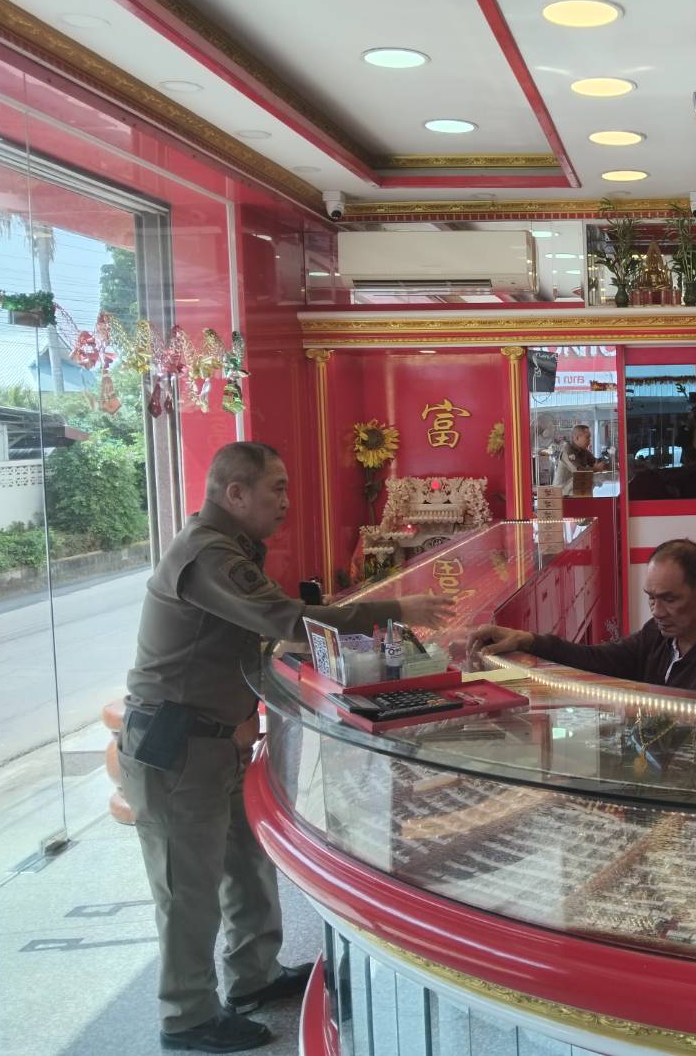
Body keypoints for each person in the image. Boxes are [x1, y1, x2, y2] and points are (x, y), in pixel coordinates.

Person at [119, 441, 452, 1053]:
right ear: (234, 492)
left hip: (216, 742)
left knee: (246, 866)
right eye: (276, 488)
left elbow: (256, 638)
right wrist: (397, 608)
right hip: (176, 749)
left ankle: (253, 977)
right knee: (187, 888)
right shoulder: (207, 554)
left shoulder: (231, 548)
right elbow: (286, 620)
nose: (286, 502)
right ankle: (186, 1016)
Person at [469, 538, 696, 698]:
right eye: (651, 598)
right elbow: (599, 659)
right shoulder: (658, 635)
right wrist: (528, 640)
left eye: (670, 599)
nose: (657, 611)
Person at [552, 423, 609, 491]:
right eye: (587, 437)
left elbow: (594, 462)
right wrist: (596, 468)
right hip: (563, 493)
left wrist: (605, 463)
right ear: (577, 438)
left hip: (577, 490)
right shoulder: (568, 451)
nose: (590, 440)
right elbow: (578, 471)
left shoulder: (583, 451)